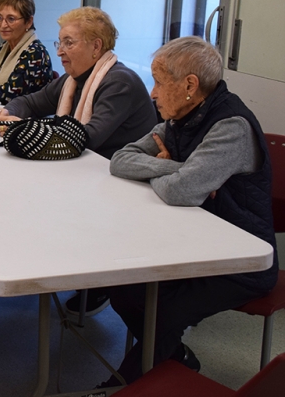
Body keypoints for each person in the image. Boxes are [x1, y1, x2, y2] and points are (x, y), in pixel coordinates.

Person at [105, 36, 279, 386]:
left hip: (239, 260)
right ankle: (175, 357)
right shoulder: (179, 118)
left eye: (158, 82)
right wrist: (181, 168)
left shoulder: (230, 126)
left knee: (164, 312)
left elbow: (181, 191)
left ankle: (121, 387)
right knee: (123, 292)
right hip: (193, 244)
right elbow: (120, 161)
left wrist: (183, 176)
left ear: (189, 85)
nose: (152, 93)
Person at [0, 7, 157, 315]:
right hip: (90, 175)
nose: (61, 52)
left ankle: (98, 279)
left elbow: (88, 137)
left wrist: (23, 130)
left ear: (96, 47)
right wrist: (7, 113)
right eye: (60, 43)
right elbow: (29, 102)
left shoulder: (119, 82)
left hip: (127, 188)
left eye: (69, 43)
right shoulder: (72, 79)